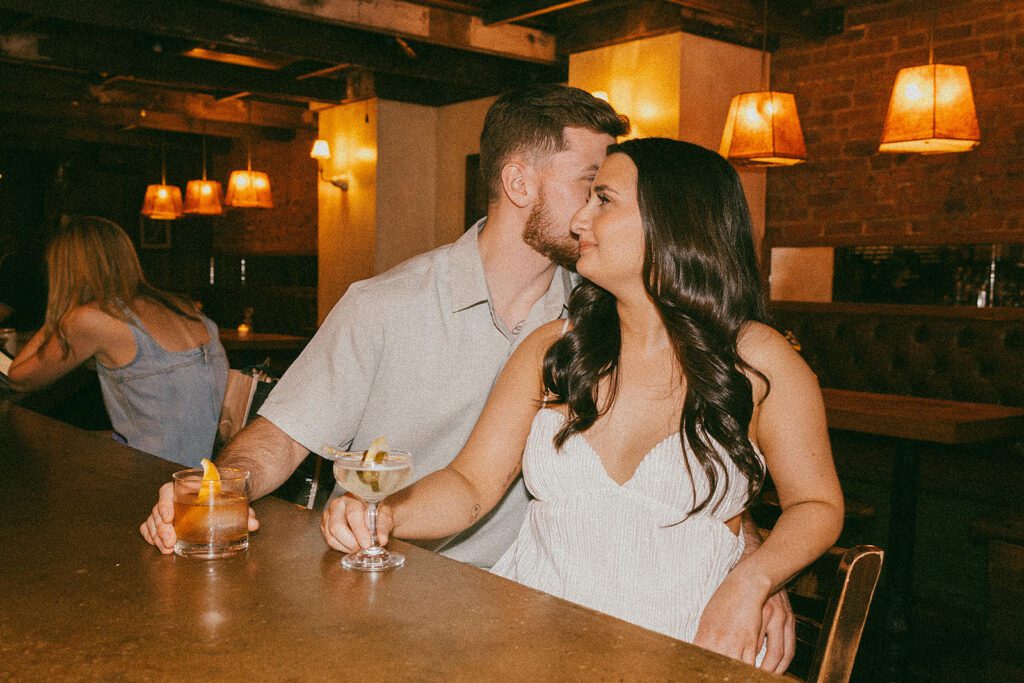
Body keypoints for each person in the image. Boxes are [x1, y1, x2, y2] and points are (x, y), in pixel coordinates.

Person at [141, 87, 795, 670]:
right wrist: (209, 495)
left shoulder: (609, 313)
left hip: (549, 614)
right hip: (391, 599)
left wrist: (758, 568)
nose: (590, 212)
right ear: (519, 183)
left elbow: (692, 467)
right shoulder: (384, 305)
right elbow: (279, 440)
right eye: (589, 183)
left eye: (607, 193)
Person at [322, 139, 843, 666]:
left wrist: (753, 583)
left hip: (687, 643)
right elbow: (471, 485)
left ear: (672, 222)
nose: (578, 220)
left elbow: (816, 505)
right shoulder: (554, 347)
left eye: (604, 200)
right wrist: (385, 513)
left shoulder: (759, 360)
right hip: (533, 641)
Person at [8, 216, 228, 467]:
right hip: (205, 470)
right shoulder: (184, 308)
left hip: (153, 478)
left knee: (34, 458)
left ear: (64, 270)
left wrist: (59, 311)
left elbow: (20, 378)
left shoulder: (91, 318)